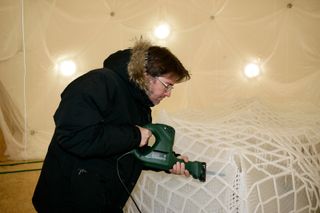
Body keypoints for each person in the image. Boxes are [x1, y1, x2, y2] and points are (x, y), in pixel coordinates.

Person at [32, 39, 191, 212]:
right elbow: (74, 137)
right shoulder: (98, 83)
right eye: (167, 86)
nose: (168, 94)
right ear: (147, 75)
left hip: (103, 200)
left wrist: (168, 160)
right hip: (69, 201)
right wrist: (135, 135)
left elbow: (129, 151)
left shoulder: (140, 105)